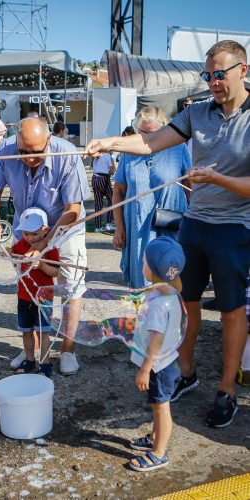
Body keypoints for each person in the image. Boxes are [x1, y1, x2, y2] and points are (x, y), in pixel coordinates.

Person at [84, 40, 250, 428]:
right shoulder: (197, 114)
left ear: (243, 70)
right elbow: (151, 141)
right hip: (194, 223)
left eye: (218, 75)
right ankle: (186, 373)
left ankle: (227, 390)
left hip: (236, 228)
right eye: (207, 75)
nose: (212, 82)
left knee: (231, 312)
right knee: (184, 303)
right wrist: (109, 142)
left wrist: (217, 178)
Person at [0, 116, 91, 375]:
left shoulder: (66, 153)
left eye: (35, 153)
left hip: (64, 229)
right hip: (27, 228)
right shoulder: (5, 150)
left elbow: (73, 210)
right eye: (23, 152)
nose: (28, 159)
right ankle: (31, 348)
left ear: (48, 140)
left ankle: (67, 350)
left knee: (71, 285)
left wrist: (46, 242)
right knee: (29, 284)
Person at [112, 107, 191, 289]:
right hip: (137, 228)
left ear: (165, 130)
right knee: (142, 284)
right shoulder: (129, 152)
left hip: (171, 228)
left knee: (170, 282)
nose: (147, 139)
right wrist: (119, 227)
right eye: (142, 133)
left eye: (152, 133)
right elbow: (118, 191)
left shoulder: (178, 149)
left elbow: (190, 187)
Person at [128, 237, 185, 472]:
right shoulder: (169, 292)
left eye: (144, 262)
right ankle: (154, 438)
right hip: (167, 363)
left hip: (158, 367)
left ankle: (159, 453)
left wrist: (145, 369)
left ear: (153, 270)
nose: (142, 266)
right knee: (156, 405)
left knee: (162, 408)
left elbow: (155, 340)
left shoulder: (159, 305)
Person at [9, 208, 59, 378]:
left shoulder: (49, 248)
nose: (30, 238)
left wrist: (43, 266)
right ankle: (30, 360)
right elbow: (15, 260)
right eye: (26, 233)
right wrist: (11, 255)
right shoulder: (21, 245)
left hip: (43, 297)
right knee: (26, 330)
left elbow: (56, 272)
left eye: (35, 234)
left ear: (45, 230)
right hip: (24, 296)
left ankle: (45, 362)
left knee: (43, 332)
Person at [91, 153, 116, 233]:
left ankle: (98, 227)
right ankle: (108, 224)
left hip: (94, 178)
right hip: (104, 179)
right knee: (112, 201)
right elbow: (112, 171)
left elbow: (92, 167)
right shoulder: (107, 155)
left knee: (98, 203)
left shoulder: (94, 157)